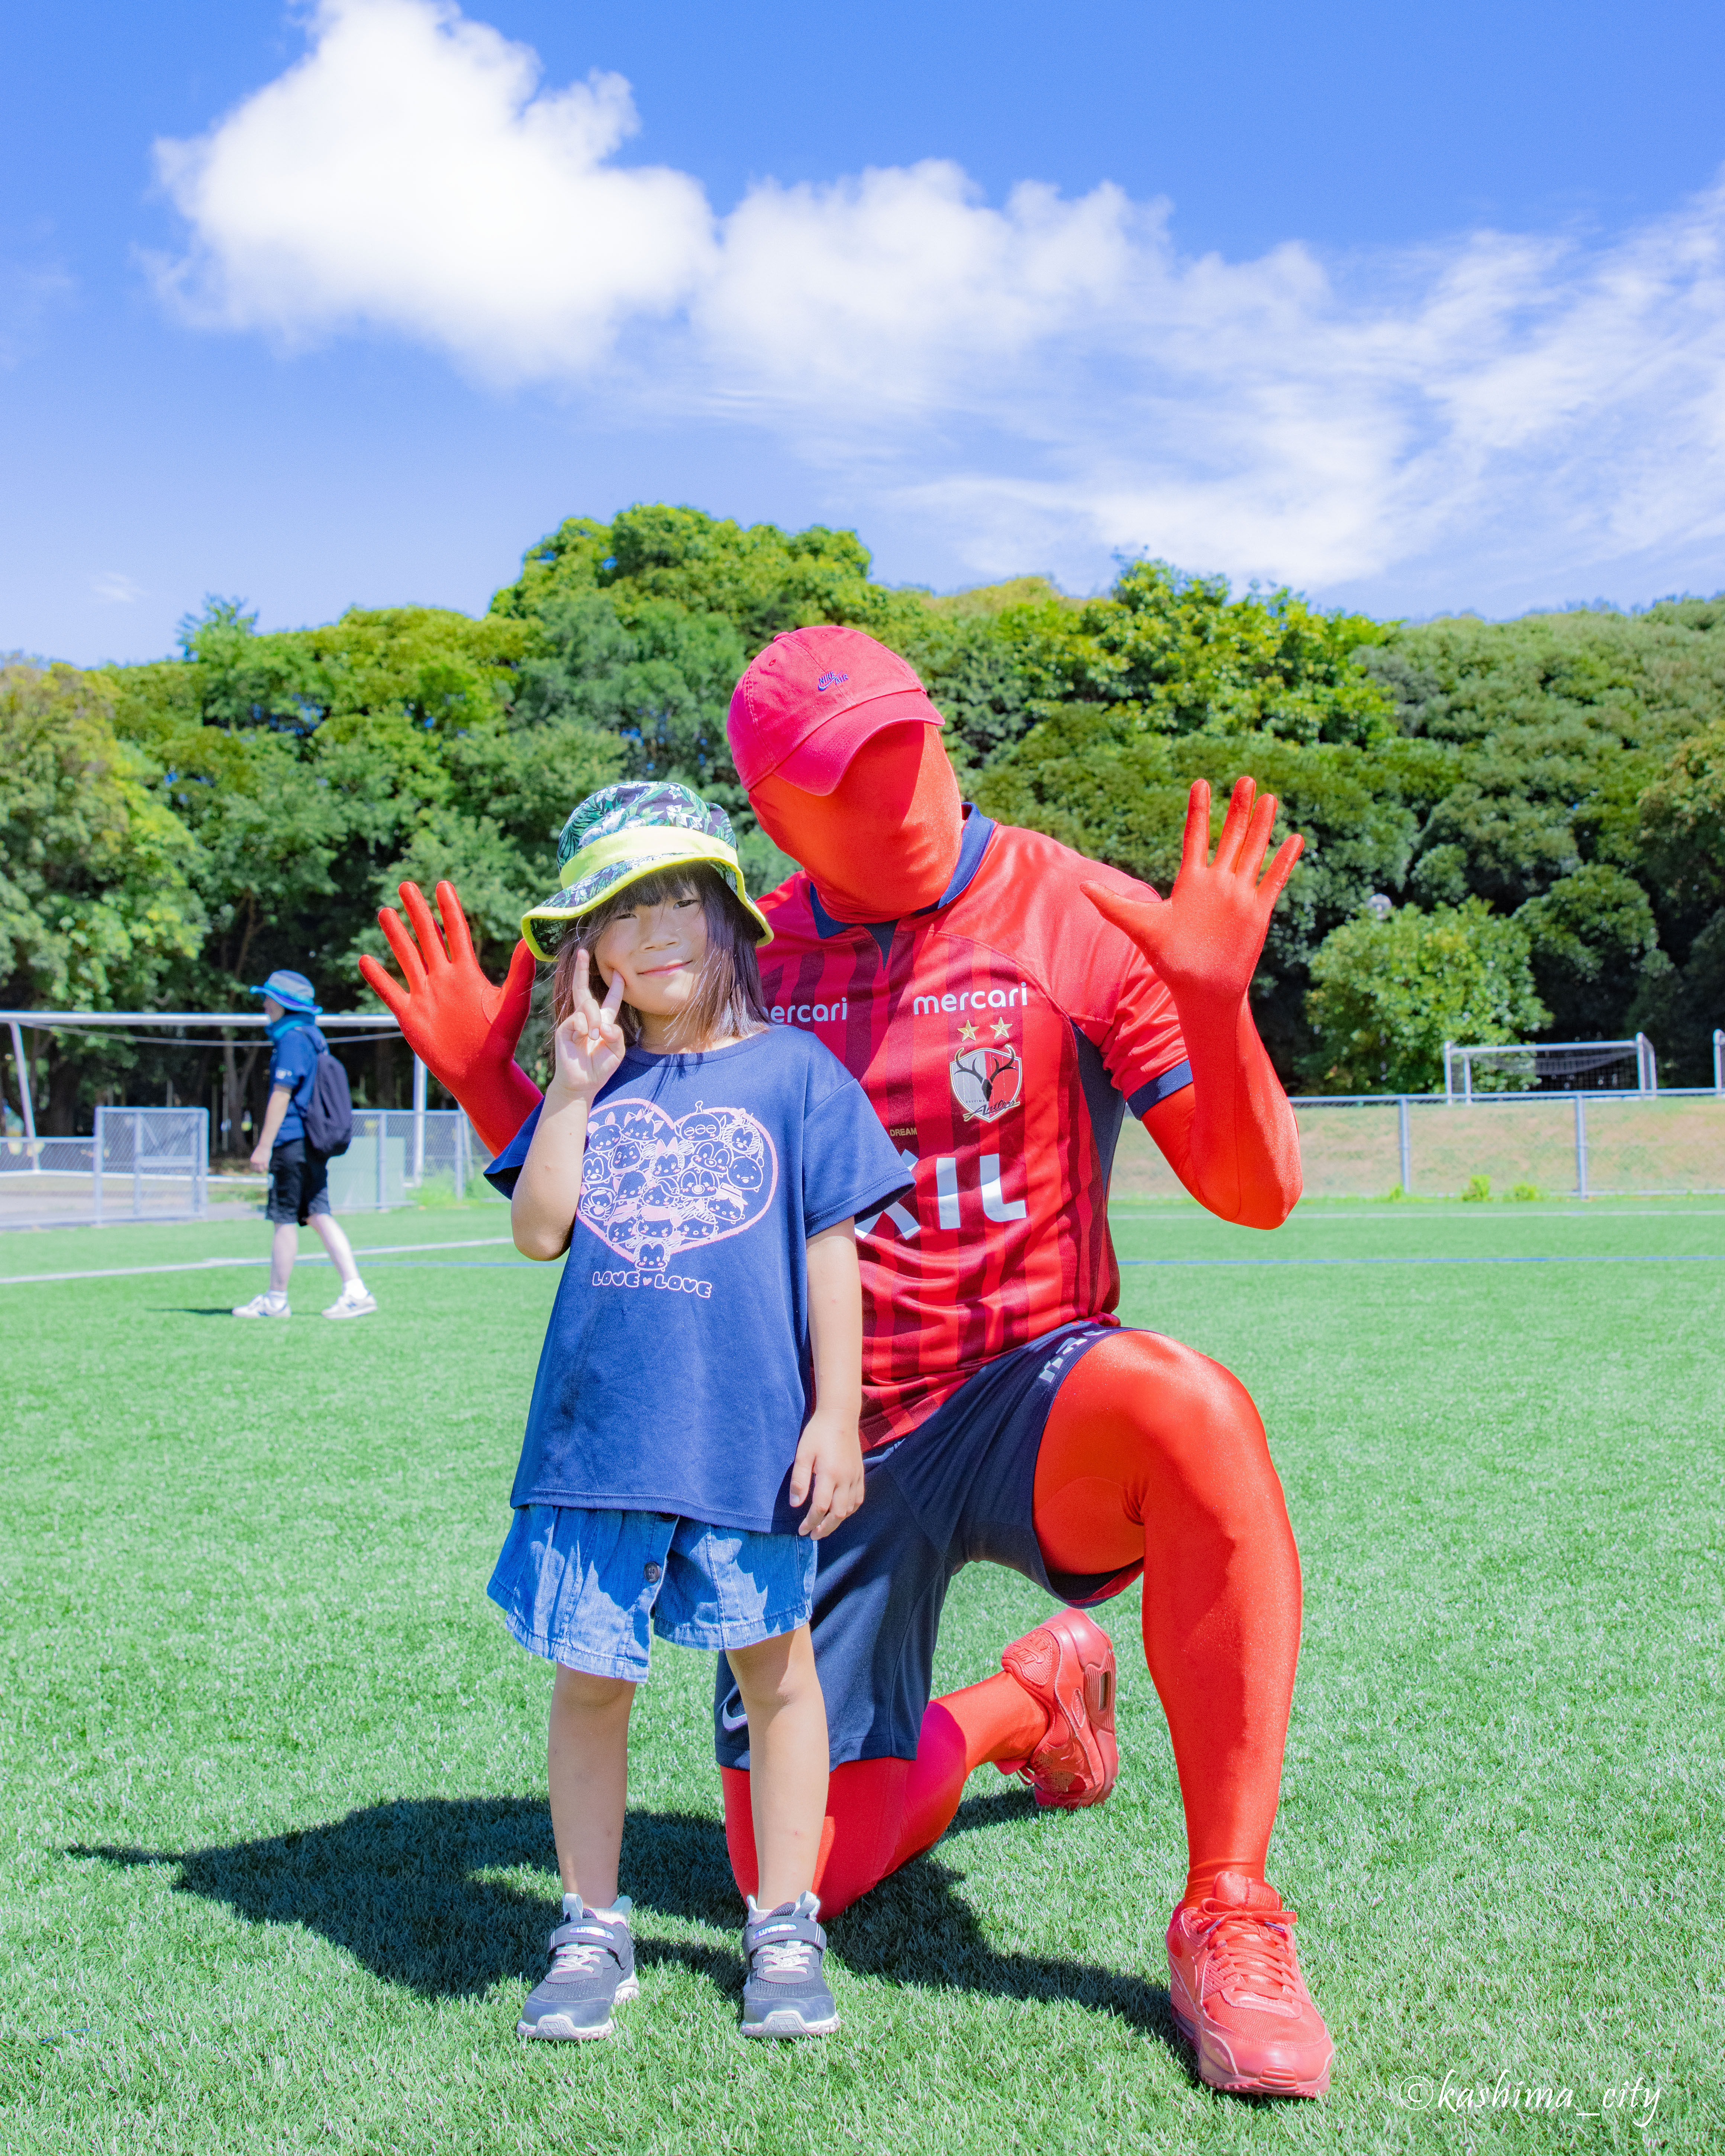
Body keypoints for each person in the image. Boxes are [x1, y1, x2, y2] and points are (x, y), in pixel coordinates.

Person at [361, 631, 1334, 2099]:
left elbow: (1256, 1193)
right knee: (814, 1869)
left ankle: (1229, 1906)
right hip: (810, 1457)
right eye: (847, 785)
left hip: (1028, 1391)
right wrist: (485, 1070)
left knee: (1195, 1413)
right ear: (777, 820)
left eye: (912, 751)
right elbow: (602, 1182)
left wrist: (1210, 997)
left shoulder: (1074, 910)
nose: (903, 801)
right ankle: (1030, 1699)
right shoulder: (727, 960)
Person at [479, 782, 912, 2043]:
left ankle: (784, 1926)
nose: (655, 930)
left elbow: (833, 1257)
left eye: (677, 897)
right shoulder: (589, 1080)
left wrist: (838, 1415)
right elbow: (538, 1231)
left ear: (723, 912)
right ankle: (591, 1925)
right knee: (592, 1683)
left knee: (776, 1678)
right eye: (621, 910)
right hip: (598, 1443)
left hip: (747, 1441)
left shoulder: (798, 1072)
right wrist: (569, 1086)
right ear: (590, 951)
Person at [230, 969, 377, 1322]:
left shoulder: (292, 1039)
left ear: (283, 1004)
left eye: (269, 998)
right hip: (308, 1143)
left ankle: (276, 1300)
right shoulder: (311, 1037)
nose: (264, 1004)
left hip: (292, 1142)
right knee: (317, 1214)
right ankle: (356, 1291)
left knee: (284, 1219)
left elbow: (282, 1096)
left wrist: (264, 1146)